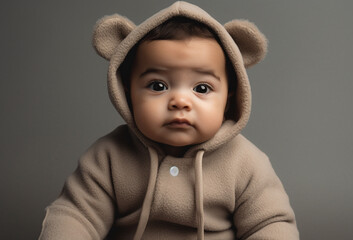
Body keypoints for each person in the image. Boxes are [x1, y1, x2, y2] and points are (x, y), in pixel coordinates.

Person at [39, 2, 299, 239]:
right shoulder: (108, 156)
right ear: (127, 91)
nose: (180, 101)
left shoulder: (245, 163)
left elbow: (270, 223)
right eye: (158, 85)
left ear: (229, 99)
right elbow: (76, 214)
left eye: (202, 88)